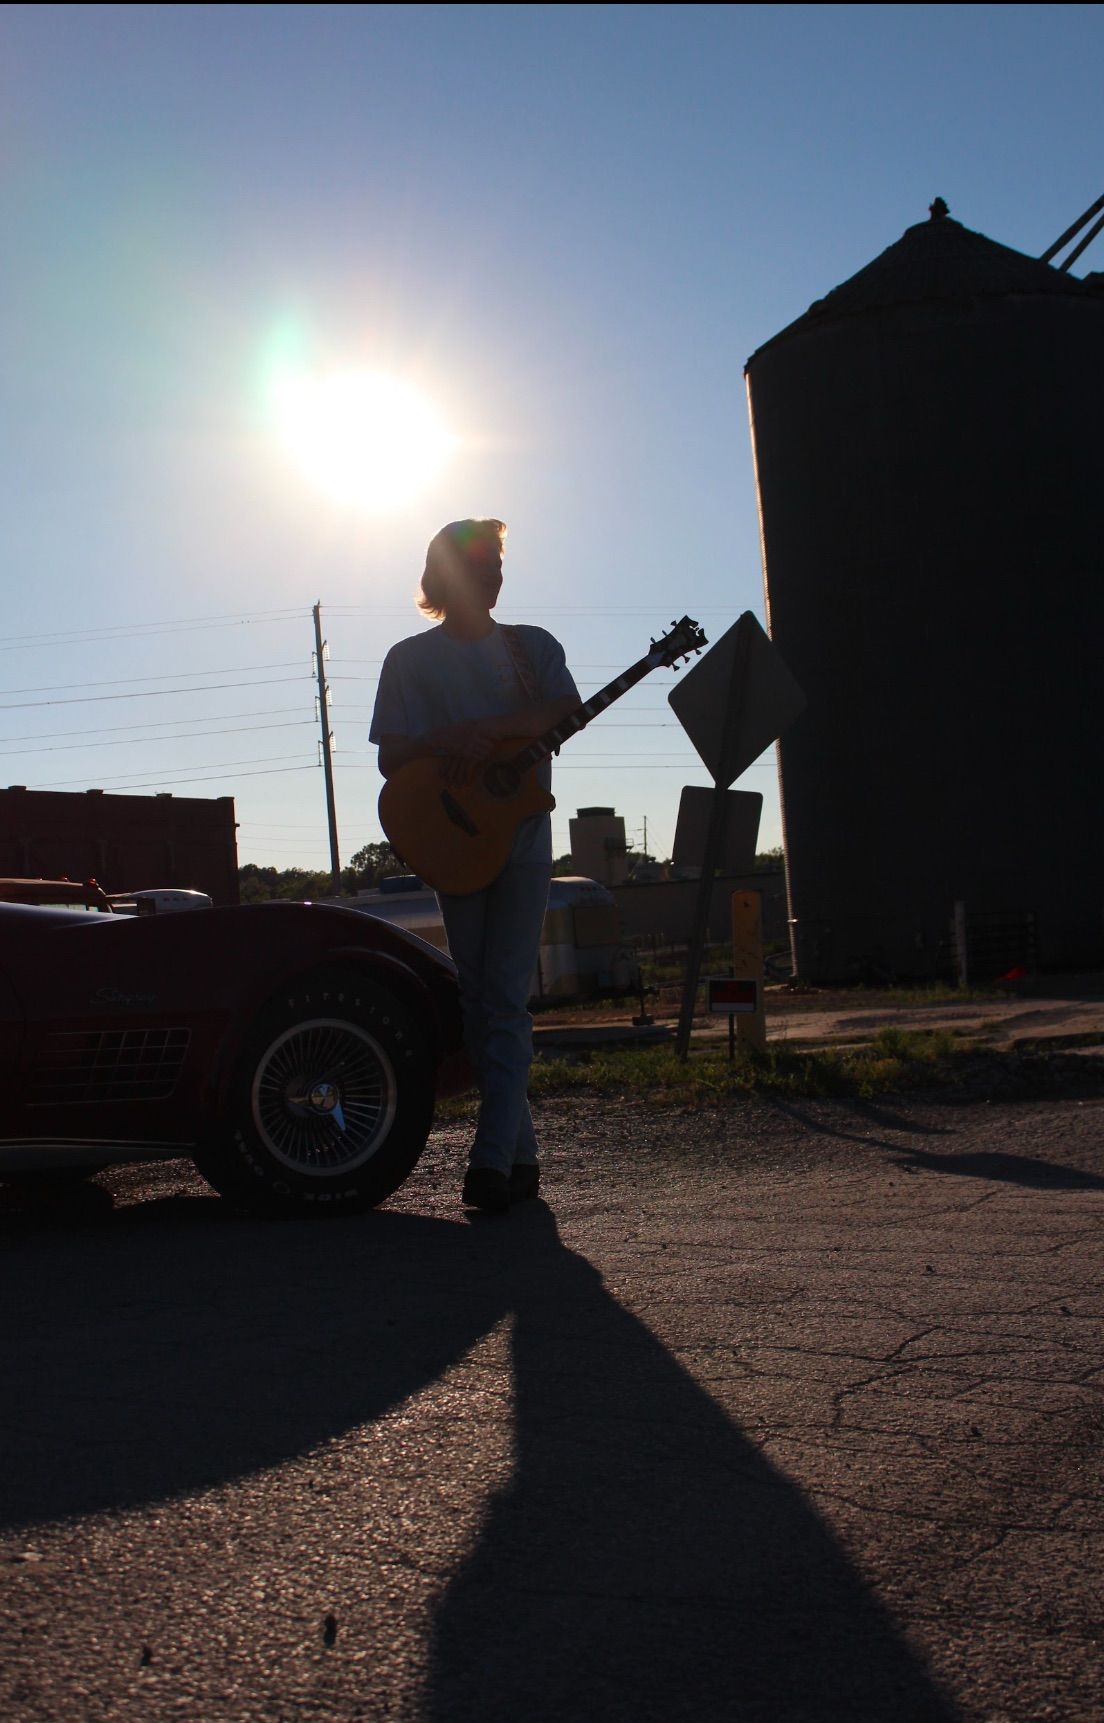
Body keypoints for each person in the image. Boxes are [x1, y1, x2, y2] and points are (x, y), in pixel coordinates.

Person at [370, 519, 580, 1214]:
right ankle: (519, 1157)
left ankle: (491, 1163)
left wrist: (501, 731)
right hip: (453, 839)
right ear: (442, 575)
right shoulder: (409, 659)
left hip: (522, 835)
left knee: (506, 997)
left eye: (496, 561)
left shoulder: (533, 648)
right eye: (477, 562)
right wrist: (449, 737)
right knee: (479, 1000)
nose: (491, 572)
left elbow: (565, 710)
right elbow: (391, 755)